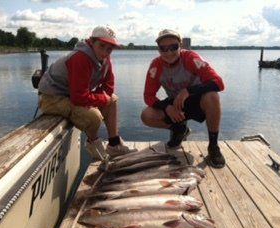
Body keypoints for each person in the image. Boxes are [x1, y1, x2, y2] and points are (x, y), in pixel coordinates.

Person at [38, 26, 136, 160]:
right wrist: (101, 100)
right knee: (94, 116)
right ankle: (94, 144)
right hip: (51, 98)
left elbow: (109, 85)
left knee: (113, 99)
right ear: (92, 42)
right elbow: (78, 97)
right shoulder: (80, 58)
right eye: (102, 46)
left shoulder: (105, 60)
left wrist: (103, 98)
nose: (105, 52)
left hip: (71, 95)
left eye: (109, 49)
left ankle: (114, 145)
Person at [141, 29, 225, 168]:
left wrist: (188, 91)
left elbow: (218, 83)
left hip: (198, 101)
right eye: (163, 48)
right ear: (158, 50)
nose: (168, 52)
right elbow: (148, 95)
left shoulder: (191, 58)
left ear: (180, 46)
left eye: (173, 47)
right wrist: (167, 108)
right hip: (176, 105)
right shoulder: (156, 66)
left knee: (212, 96)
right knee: (146, 115)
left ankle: (213, 146)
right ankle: (179, 129)